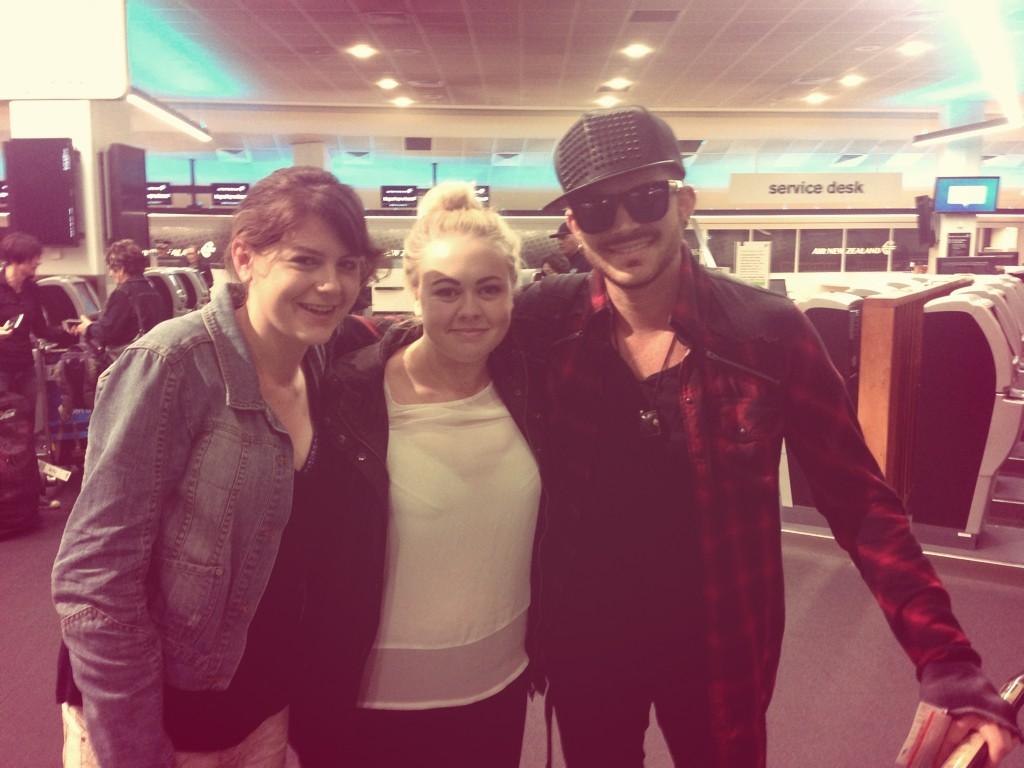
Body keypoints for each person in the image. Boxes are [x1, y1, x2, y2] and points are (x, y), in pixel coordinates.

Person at [515, 105, 1021, 767]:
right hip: (589, 643)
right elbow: (434, 354)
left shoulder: (766, 330)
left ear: (684, 203)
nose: (625, 224)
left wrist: (945, 657)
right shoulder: (542, 324)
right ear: (573, 226)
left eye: (646, 198)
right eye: (597, 209)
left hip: (718, 642)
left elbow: (861, 503)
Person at [51, 166, 384, 768]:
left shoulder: (317, 362)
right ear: (245, 257)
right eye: (305, 261)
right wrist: (135, 748)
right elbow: (94, 581)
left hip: (258, 707)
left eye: (348, 264)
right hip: (158, 717)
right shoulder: (173, 364)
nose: (331, 285)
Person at [299, 181, 543, 767]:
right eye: (446, 290)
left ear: (514, 290)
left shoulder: (534, 389)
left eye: (489, 289)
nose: (470, 310)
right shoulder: (348, 397)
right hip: (369, 706)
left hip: (497, 690)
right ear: (414, 292)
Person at [0, 231, 75, 424]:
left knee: (28, 422)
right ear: (16, 260)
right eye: (33, 258)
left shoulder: (32, 289)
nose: (37, 262)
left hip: (25, 367)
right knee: (5, 426)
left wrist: (69, 332)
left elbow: (41, 329)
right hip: (1, 369)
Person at [73, 239, 163, 351]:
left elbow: (107, 333)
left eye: (111, 269)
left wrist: (87, 327)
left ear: (121, 269)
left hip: (126, 356)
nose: (110, 274)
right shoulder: (151, 289)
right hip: (147, 352)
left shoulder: (123, 293)